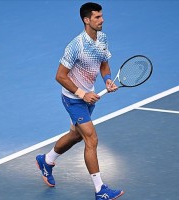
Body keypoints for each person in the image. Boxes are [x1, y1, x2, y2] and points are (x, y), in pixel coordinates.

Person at [36, 2, 124, 200]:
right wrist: (82, 93)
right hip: (73, 98)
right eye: (97, 17)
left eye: (101, 16)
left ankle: (46, 160)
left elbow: (103, 63)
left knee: (76, 135)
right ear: (86, 20)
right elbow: (60, 76)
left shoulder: (102, 38)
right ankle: (100, 190)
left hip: (89, 95)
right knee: (91, 139)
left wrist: (108, 79)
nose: (102, 20)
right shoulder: (76, 45)